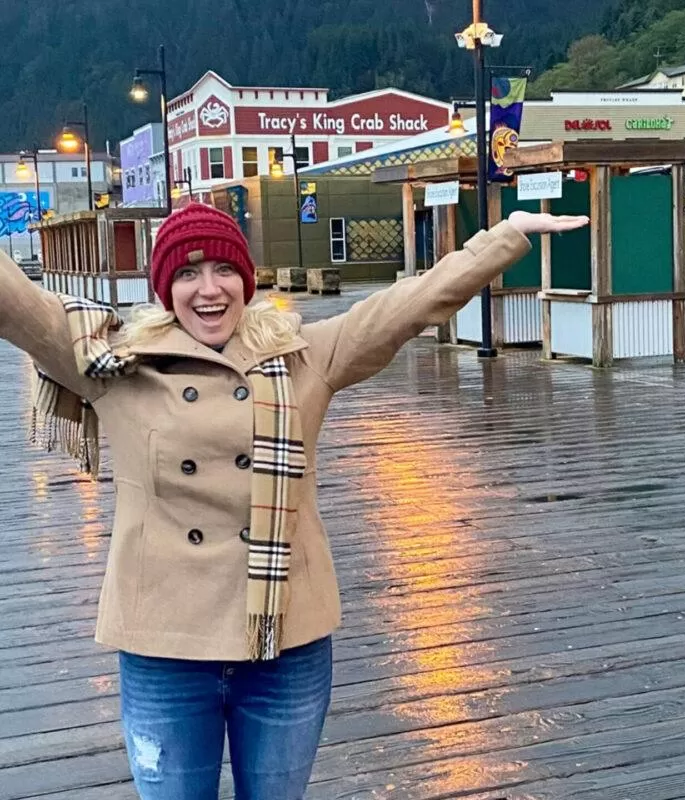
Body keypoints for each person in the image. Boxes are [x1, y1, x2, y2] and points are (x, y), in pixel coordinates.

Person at [0, 203, 588, 800]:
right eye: (187, 273)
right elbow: (15, 303)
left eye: (224, 270)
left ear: (247, 280)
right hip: (165, 648)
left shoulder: (304, 356)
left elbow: (409, 305)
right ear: (164, 288)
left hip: (285, 641)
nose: (208, 290)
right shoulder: (113, 363)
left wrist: (504, 237)